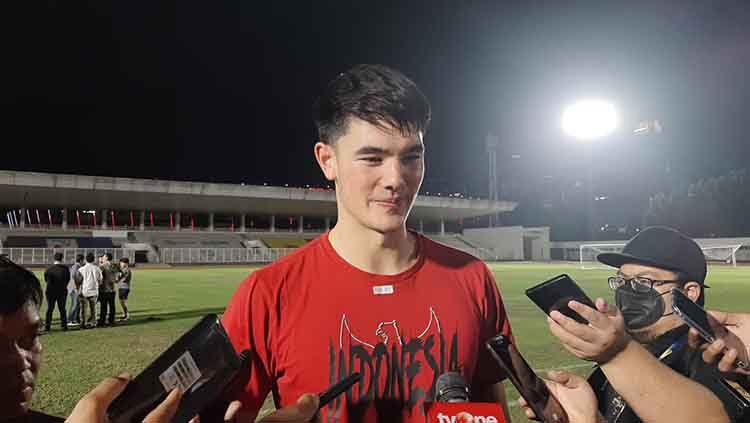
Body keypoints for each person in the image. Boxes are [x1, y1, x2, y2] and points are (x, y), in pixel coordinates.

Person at [219, 64, 514, 423]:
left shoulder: (471, 278)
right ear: (328, 161)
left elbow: (491, 408)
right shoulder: (268, 293)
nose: (396, 179)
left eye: (411, 157)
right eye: (372, 159)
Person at [548, 226, 740, 422]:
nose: (628, 291)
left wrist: (617, 354)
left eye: (643, 281)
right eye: (622, 280)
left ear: (689, 292)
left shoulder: (715, 360)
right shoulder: (622, 350)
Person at [0, 255, 181, 422]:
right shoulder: (96, 269)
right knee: (95, 311)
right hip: (96, 291)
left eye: (31, 337)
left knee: (87, 311)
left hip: (84, 291)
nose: (20, 362)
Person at [43, 252, 69, 332]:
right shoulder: (65, 269)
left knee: (50, 309)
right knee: (62, 309)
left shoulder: (49, 268)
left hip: (51, 291)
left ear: (54, 258)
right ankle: (64, 326)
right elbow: (68, 279)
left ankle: (47, 326)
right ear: (62, 258)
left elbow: (46, 280)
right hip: (62, 291)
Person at [78, 253, 101, 329]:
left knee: (83, 309)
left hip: (85, 291)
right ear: (93, 260)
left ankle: (83, 323)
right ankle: (93, 323)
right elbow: (100, 280)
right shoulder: (97, 268)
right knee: (93, 309)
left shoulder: (81, 269)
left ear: (86, 260)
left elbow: (78, 280)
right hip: (94, 291)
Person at [97, 253, 117, 327]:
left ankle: (102, 321)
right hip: (112, 289)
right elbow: (117, 276)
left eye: (104, 256)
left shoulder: (102, 266)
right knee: (112, 306)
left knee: (103, 307)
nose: (102, 257)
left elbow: (99, 276)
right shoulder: (114, 265)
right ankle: (111, 321)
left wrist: (100, 263)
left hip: (104, 289)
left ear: (106, 258)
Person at [67, 254, 84, 326]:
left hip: (74, 288)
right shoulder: (76, 267)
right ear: (81, 260)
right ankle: (70, 320)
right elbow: (74, 276)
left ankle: (75, 319)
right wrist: (77, 286)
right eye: (83, 260)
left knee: (77, 304)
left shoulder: (76, 266)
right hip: (74, 289)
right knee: (75, 304)